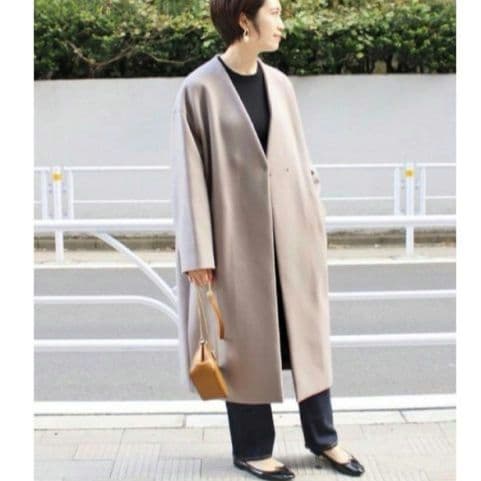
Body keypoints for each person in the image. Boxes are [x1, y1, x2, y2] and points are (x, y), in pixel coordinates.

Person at [170, 0, 365, 479]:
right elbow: (188, 178)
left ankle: (324, 438)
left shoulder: (280, 85)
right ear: (244, 20)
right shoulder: (199, 90)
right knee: (243, 346)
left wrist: (315, 217)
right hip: (233, 244)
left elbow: (301, 160)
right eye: (274, 12)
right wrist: (198, 253)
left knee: (307, 338)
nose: (281, 24)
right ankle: (253, 448)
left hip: (294, 239)